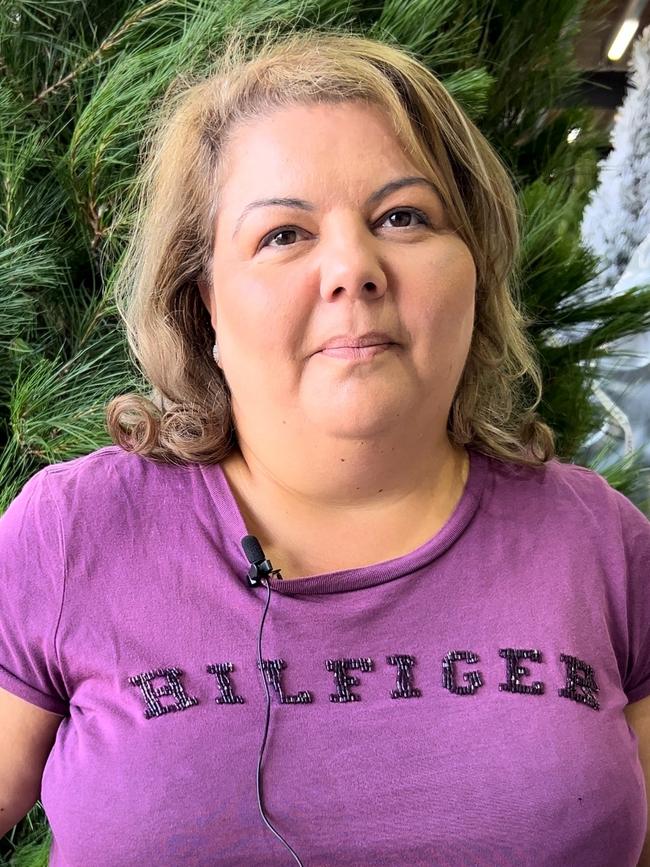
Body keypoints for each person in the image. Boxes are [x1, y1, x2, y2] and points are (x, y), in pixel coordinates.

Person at [1, 25, 650, 867]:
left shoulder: (599, 542)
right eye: (284, 234)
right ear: (203, 305)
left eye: (404, 216)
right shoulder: (71, 533)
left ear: (476, 271)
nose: (354, 266)